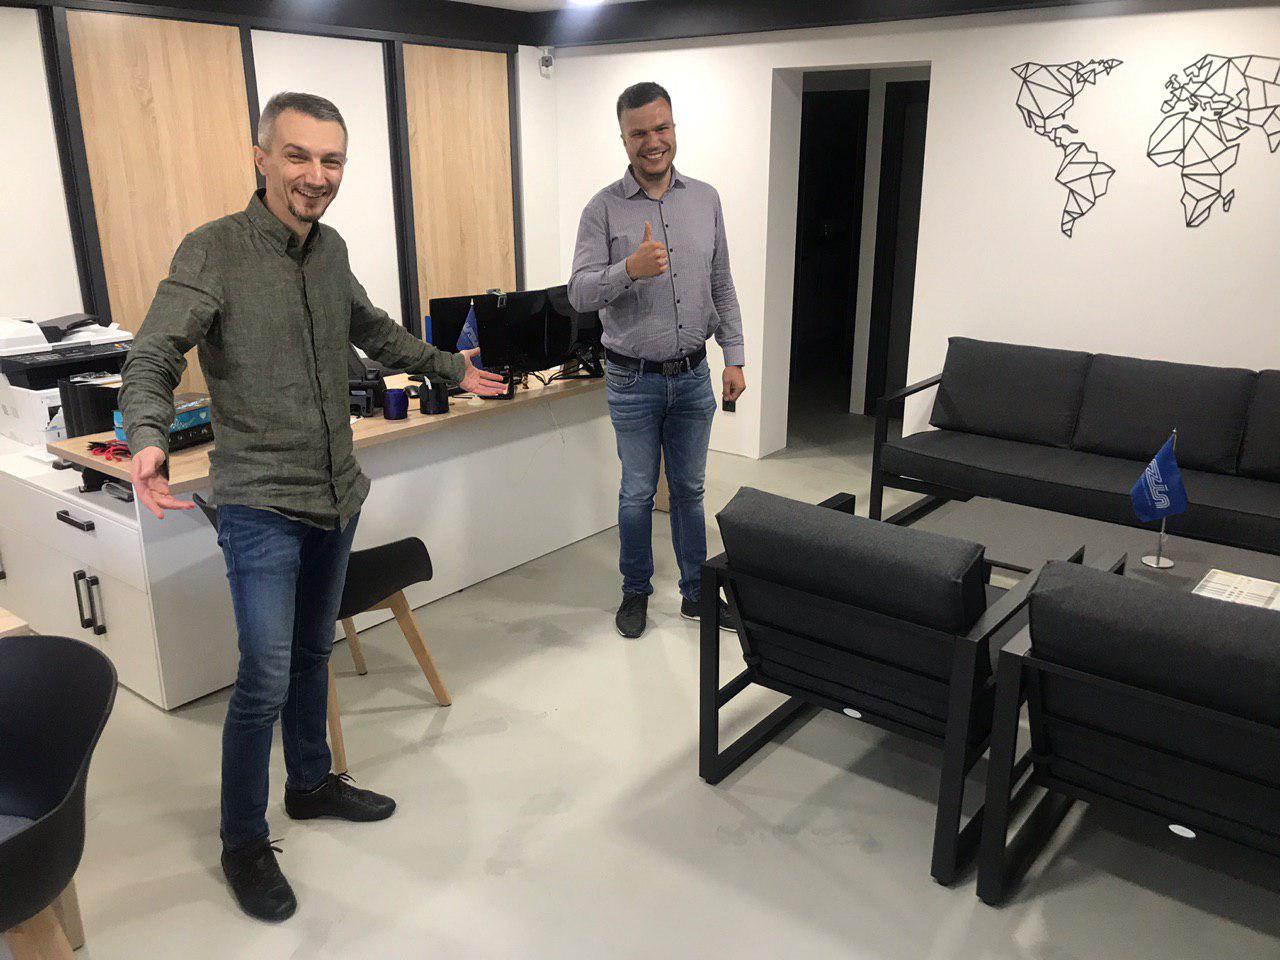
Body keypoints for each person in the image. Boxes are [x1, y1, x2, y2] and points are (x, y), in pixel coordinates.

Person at [119, 91, 506, 922]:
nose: (316, 175)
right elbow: (153, 354)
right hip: (260, 501)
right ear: (261, 157)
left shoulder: (329, 251)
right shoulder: (214, 249)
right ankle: (242, 841)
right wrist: (146, 435)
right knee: (262, 674)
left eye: (332, 160)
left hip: (337, 495)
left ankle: (311, 783)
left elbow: (375, 329)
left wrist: (451, 367)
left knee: (309, 654)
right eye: (298, 155)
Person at [568, 82, 745, 640]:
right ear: (623, 138)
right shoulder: (602, 209)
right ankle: (636, 591)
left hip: (693, 375)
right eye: (639, 132)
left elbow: (721, 282)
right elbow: (578, 292)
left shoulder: (706, 199)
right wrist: (630, 269)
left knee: (690, 491)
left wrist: (734, 355)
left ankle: (696, 594)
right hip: (632, 379)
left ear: (674, 128)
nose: (653, 141)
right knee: (638, 493)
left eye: (661, 128)